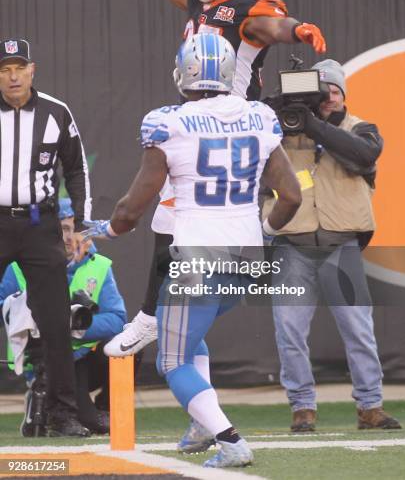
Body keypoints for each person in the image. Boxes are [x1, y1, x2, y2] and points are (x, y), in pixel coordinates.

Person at [103, 0, 326, 359]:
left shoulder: (246, 8)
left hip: (231, 124)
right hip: (202, 124)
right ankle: (164, 317)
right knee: (168, 218)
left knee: (174, 214)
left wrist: (297, 29)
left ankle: (152, 317)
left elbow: (270, 24)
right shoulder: (202, 3)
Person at [83, 33, 302, 467]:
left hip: (198, 256)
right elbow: (291, 196)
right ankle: (203, 420)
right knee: (184, 333)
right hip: (246, 258)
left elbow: (132, 206)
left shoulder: (170, 122)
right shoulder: (258, 116)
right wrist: (264, 230)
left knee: (173, 360)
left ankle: (229, 440)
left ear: (183, 73)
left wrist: (107, 228)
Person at [262, 59, 402, 432]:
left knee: (358, 329)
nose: (328, 99)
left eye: (334, 92)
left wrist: (313, 125)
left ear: (344, 95)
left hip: (342, 246)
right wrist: (274, 108)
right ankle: (302, 408)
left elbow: (362, 158)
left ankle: (370, 407)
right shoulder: (283, 132)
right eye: (321, 93)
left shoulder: (363, 129)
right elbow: (253, 152)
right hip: (293, 245)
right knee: (289, 330)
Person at [0, 38, 91, 437]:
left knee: (56, 322)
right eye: (5, 69)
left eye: (19, 67)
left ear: (33, 70)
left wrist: (83, 223)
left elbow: (77, 169)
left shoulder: (56, 112)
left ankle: (61, 412)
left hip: (40, 225)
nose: (13, 75)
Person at [0, 198, 127, 436]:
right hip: (42, 357)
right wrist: (22, 310)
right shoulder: (16, 267)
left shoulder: (99, 265)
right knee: (86, 423)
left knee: (130, 343)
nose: (66, 236)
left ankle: (104, 408)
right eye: (59, 228)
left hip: (84, 356)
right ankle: (41, 396)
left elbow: (118, 318)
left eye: (70, 228)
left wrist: (69, 326)